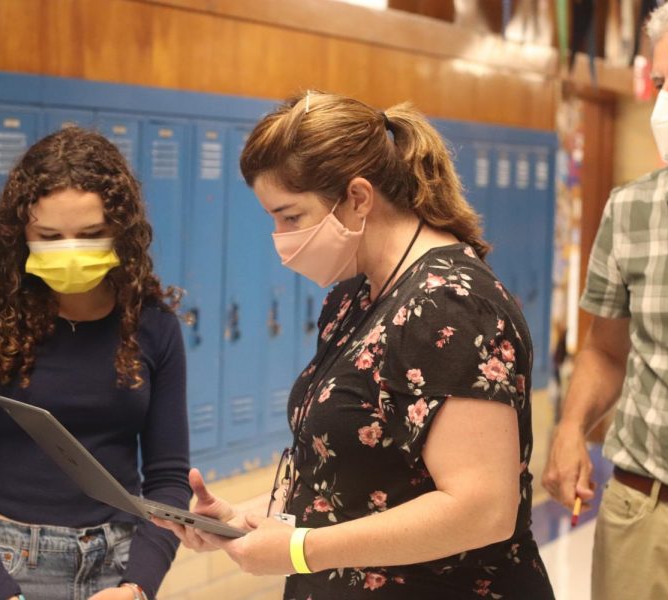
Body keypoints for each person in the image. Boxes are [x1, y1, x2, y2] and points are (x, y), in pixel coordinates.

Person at [150, 91, 555, 599]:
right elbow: (343, 472)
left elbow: (481, 510)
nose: (280, 239)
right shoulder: (356, 295)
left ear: (359, 198)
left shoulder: (451, 305)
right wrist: (244, 517)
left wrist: (302, 549)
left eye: (291, 216)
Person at [0, 127, 191, 600]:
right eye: (49, 236)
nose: (70, 250)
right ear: (21, 233)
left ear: (120, 230)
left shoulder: (153, 326)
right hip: (3, 565)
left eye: (90, 234)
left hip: (118, 565)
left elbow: (168, 479)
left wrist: (139, 585)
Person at [541, 2, 668, 599]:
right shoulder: (632, 209)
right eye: (661, 82)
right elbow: (606, 350)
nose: (667, 100)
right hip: (646, 517)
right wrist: (571, 428)